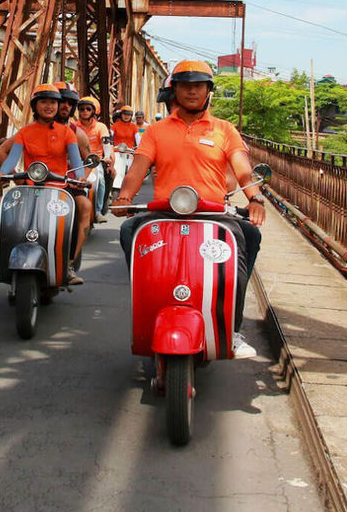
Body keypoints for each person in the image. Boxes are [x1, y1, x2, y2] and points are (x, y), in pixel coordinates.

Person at [111, 60, 265, 357]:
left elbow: (243, 170)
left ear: (209, 91)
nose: (192, 91)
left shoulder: (225, 130)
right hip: (164, 211)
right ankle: (146, 301)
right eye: (185, 85)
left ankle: (232, 329)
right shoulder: (156, 130)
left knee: (247, 239)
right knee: (129, 230)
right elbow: (138, 167)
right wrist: (124, 197)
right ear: (175, 90)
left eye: (199, 85)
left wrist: (255, 199)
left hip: (214, 214)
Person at [0, 84, 91, 285]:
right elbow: (11, 158)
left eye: (53, 102)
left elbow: (76, 161)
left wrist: (81, 177)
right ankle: (7, 255)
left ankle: (69, 263)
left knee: (84, 206)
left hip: (59, 190)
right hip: (31, 188)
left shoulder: (67, 133)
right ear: (35, 105)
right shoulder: (25, 132)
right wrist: (4, 173)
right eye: (44, 101)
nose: (49, 106)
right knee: (0, 204)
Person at [75, 95, 113, 219]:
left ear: (94, 111)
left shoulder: (100, 127)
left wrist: (107, 156)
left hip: (95, 161)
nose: (84, 111)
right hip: (77, 160)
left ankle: (97, 211)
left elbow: (106, 142)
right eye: (82, 109)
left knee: (100, 180)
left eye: (88, 109)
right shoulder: (74, 126)